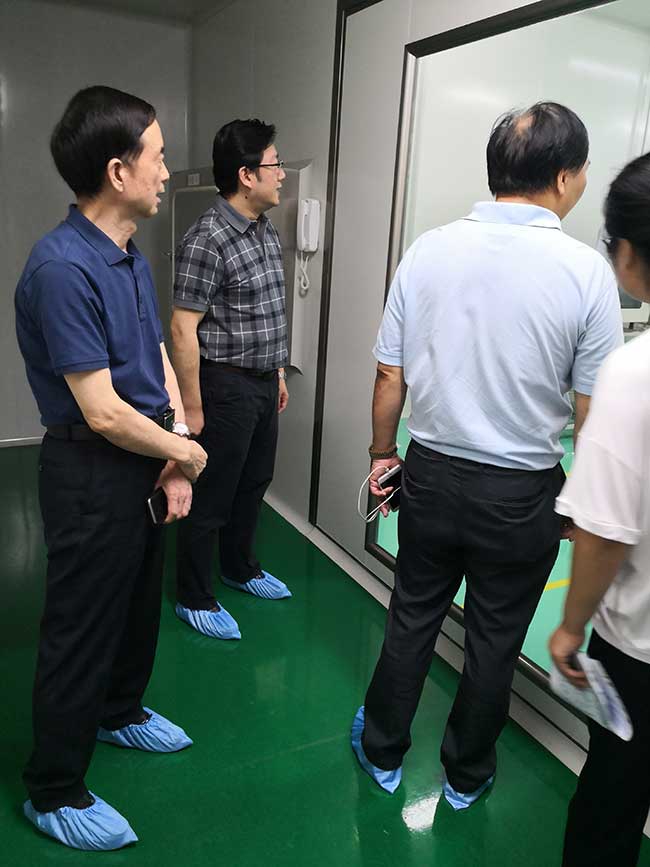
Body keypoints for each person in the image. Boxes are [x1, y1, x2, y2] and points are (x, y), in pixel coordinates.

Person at [351, 102, 623, 808]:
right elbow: (592, 411)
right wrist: (583, 500)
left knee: (412, 616)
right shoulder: (587, 272)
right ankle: (467, 775)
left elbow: (388, 375)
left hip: (430, 474)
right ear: (563, 177)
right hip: (522, 493)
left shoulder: (428, 249)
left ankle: (381, 750)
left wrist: (383, 454)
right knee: (496, 640)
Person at [14, 86, 207, 851]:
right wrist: (183, 451)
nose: (166, 170)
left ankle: (120, 710)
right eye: (157, 157)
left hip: (142, 461)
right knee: (80, 627)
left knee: (133, 606)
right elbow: (99, 411)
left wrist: (174, 446)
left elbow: (153, 355)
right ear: (118, 171)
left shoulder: (127, 255)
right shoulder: (61, 269)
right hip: (91, 471)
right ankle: (54, 788)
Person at [550, 152, 650, 867]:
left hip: (641, 648)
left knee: (610, 806)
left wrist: (570, 627)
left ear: (627, 255)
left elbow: (605, 533)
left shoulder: (633, 374)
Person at [172, 118, 291, 641]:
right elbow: (182, 328)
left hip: (263, 382)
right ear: (246, 175)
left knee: (254, 481)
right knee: (213, 493)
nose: (282, 174)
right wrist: (192, 407)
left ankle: (239, 567)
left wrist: (278, 372)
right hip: (224, 386)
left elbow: (267, 309)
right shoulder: (207, 238)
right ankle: (194, 596)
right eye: (274, 164)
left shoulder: (264, 228)